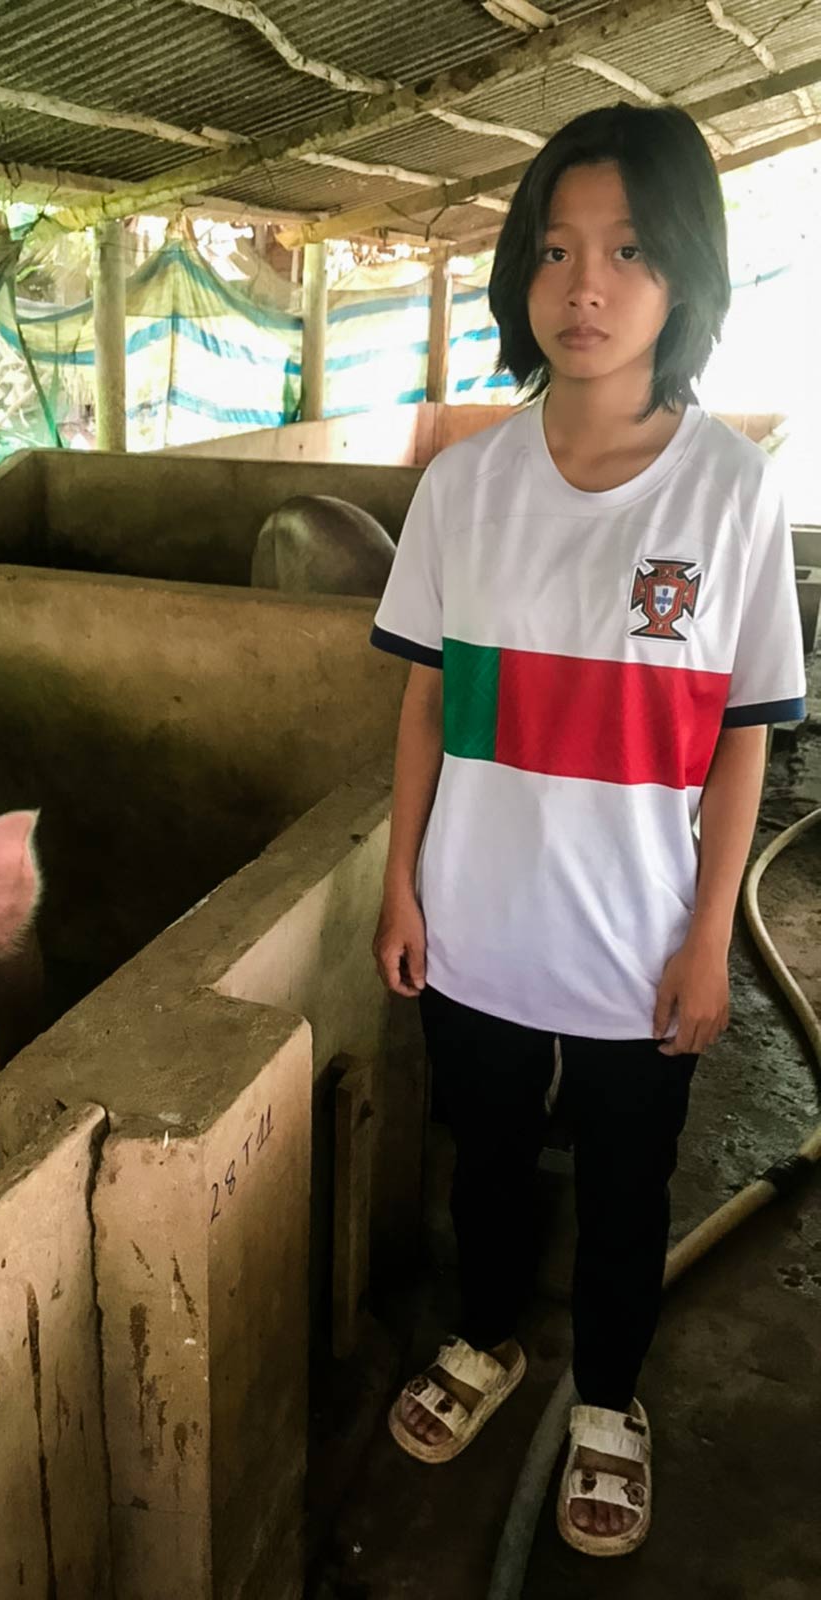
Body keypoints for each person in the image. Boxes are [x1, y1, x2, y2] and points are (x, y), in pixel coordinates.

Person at [370, 102, 807, 1558]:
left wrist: (709, 939)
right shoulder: (465, 486)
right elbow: (424, 704)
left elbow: (743, 738)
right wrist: (402, 884)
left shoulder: (732, 494)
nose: (586, 286)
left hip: (639, 940)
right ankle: (487, 1337)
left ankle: (611, 1401)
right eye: (555, 250)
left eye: (628, 251)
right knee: (486, 1160)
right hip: (476, 922)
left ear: (687, 277)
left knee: (628, 1188)